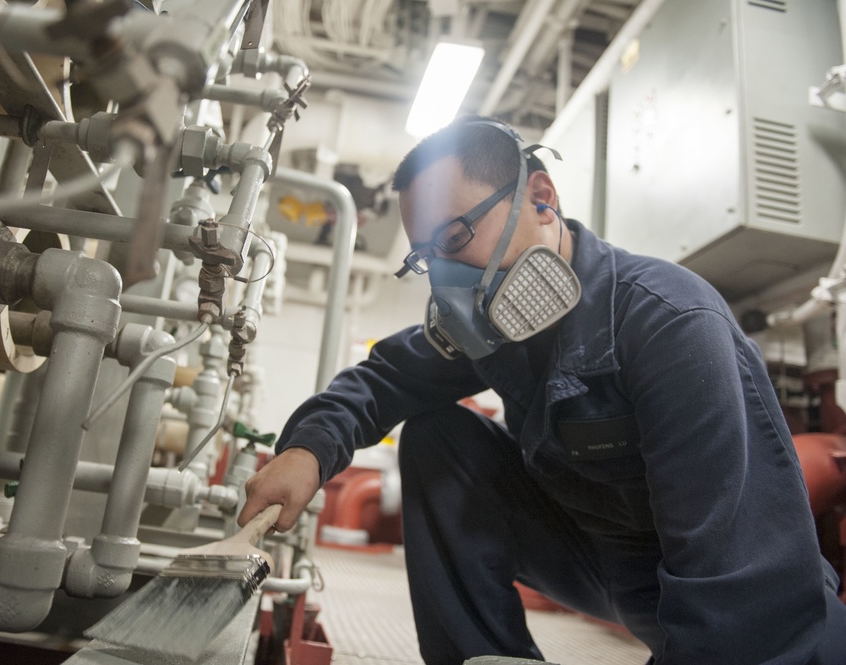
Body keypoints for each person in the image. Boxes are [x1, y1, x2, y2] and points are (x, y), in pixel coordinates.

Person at [237, 115, 846, 664]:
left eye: (454, 240)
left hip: (762, 620)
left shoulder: (669, 325)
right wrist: (308, 450)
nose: (446, 276)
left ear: (541, 198)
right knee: (437, 439)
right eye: (426, 257)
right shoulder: (499, 324)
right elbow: (387, 375)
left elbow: (729, 585)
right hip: (609, 565)